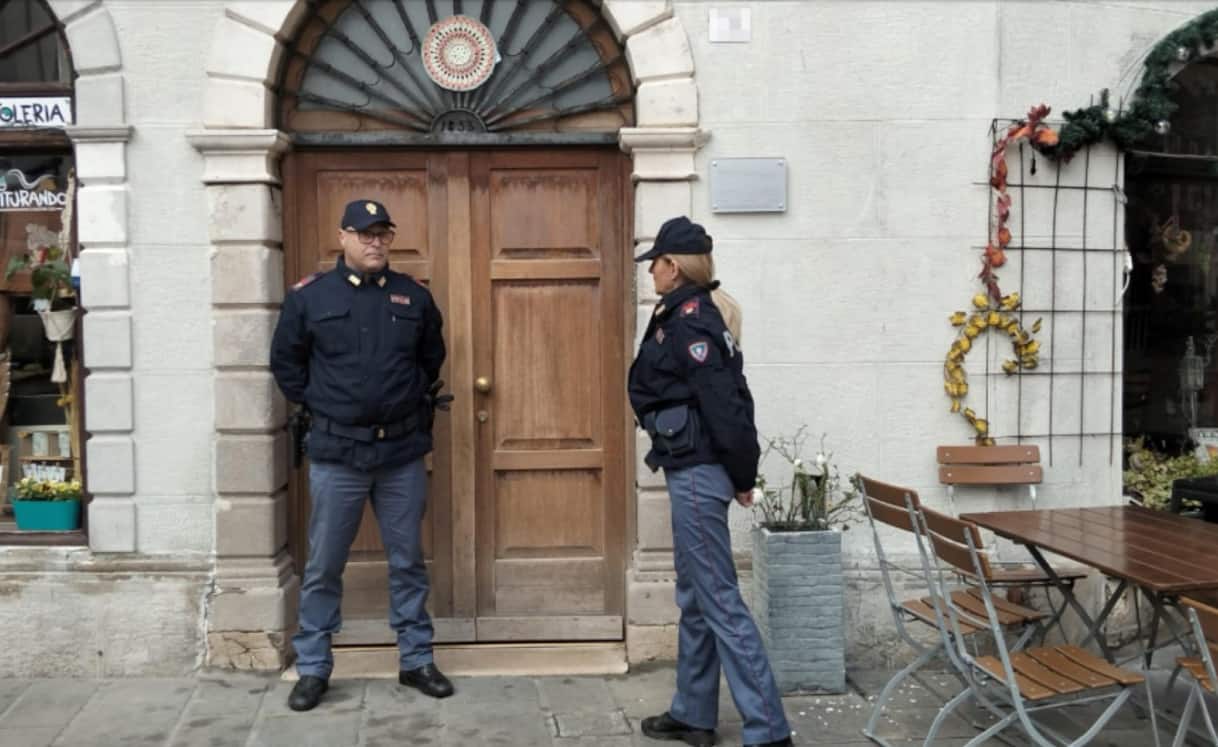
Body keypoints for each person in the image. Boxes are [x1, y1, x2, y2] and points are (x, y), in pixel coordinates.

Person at [270, 198, 453, 711]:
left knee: (408, 561)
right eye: (365, 234)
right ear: (343, 237)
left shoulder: (412, 298)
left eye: (383, 234)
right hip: (337, 451)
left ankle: (416, 659)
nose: (375, 243)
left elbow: (431, 358)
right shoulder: (310, 297)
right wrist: (328, 403)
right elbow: (286, 363)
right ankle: (313, 667)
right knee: (326, 564)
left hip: (400, 452)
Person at [628, 216, 793, 747]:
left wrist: (742, 474)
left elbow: (726, 404)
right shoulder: (682, 313)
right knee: (696, 595)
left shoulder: (691, 321)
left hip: (699, 472)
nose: (650, 270)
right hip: (692, 468)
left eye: (655, 261)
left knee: (719, 599)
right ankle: (694, 713)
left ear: (673, 267)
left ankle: (768, 730)